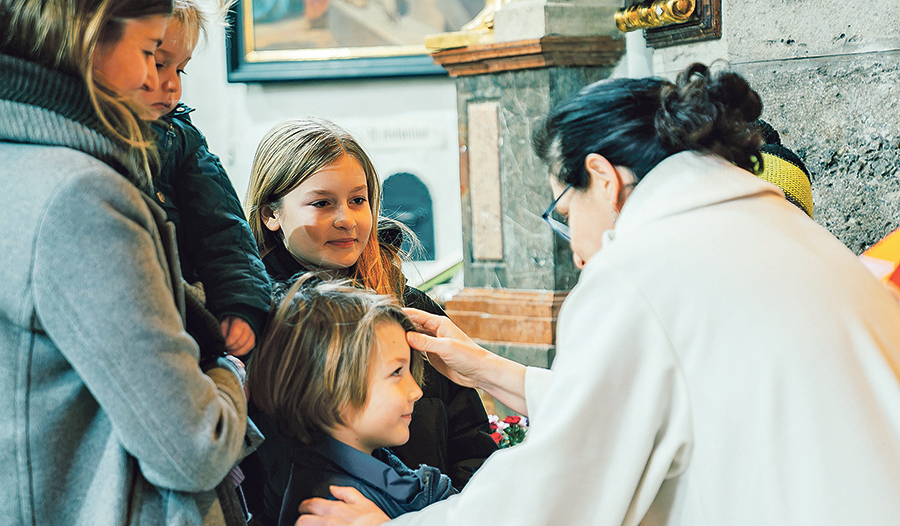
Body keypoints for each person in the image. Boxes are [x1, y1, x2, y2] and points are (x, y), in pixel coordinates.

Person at [294, 63, 900, 525]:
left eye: (564, 205)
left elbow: (561, 490)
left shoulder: (642, 268)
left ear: (605, 180)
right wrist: (484, 368)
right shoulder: (773, 227)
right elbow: (650, 401)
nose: (572, 242)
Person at [0, 1, 249, 524]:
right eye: (147, 52)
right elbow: (195, 447)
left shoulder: (20, 159)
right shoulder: (80, 196)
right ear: (87, 38)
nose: (151, 78)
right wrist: (228, 372)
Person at [241, 117, 496, 524]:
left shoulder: (413, 311)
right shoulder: (255, 328)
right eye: (322, 203)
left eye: (358, 200)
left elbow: (471, 444)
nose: (347, 219)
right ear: (272, 213)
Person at [247, 276, 457, 526]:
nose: (416, 391)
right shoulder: (330, 511)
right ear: (329, 389)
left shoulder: (371, 473)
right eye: (396, 372)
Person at [137, 0, 270, 356]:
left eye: (180, 71)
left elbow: (224, 232)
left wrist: (241, 307)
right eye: (159, 63)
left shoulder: (181, 140)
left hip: (186, 317)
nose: (171, 86)